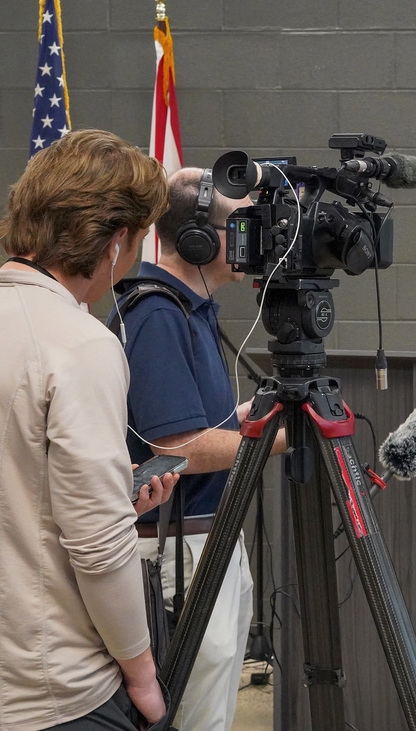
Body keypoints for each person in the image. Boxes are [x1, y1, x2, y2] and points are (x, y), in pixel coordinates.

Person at [0, 129, 178, 730]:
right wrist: (142, 674)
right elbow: (99, 548)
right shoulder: (78, 344)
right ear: (116, 242)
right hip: (55, 689)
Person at [109, 167, 284, 730]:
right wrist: (276, 440)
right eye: (240, 227)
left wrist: (245, 419)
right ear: (197, 239)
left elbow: (194, 425)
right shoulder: (158, 311)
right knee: (196, 712)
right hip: (179, 550)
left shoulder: (191, 309)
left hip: (208, 539)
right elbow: (178, 445)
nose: (252, 241)